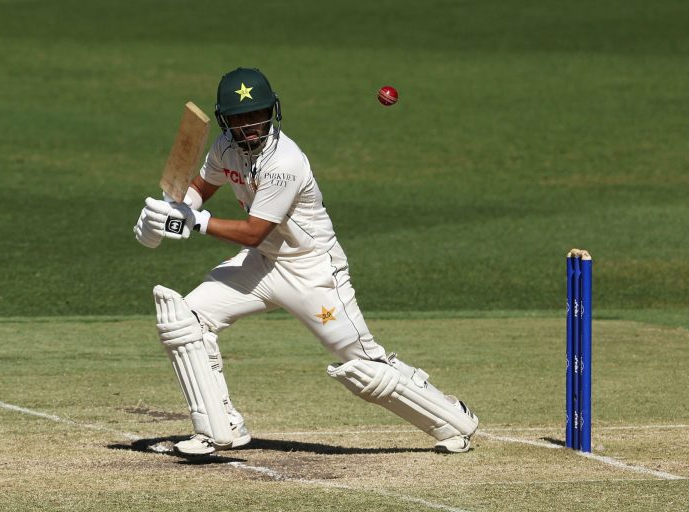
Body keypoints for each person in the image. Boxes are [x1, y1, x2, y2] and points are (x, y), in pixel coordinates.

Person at [133, 67, 478, 455]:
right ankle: (220, 427)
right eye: (239, 118)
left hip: (313, 273)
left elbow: (252, 231)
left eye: (256, 115)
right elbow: (202, 186)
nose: (248, 126)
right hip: (263, 264)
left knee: (363, 366)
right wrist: (171, 210)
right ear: (224, 120)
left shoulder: (285, 162)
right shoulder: (224, 147)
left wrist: (191, 221)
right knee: (186, 319)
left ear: (272, 111)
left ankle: (454, 421)